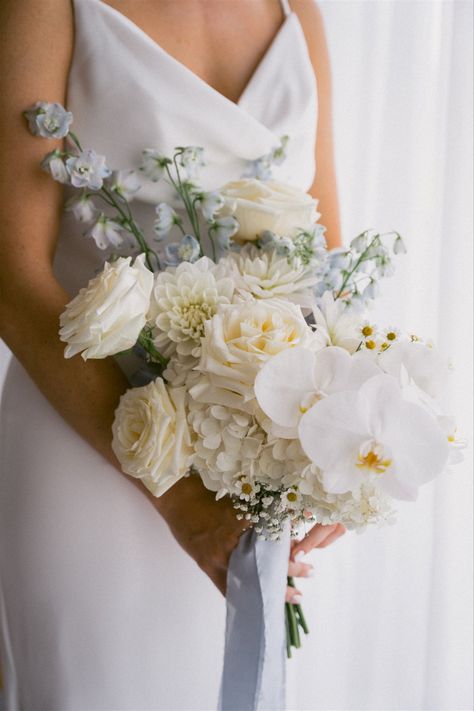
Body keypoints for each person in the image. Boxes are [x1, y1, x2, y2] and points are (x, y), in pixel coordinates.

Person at [0, 0, 346, 707]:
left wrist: (342, 440)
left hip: (247, 468)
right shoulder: (47, 8)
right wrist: (179, 499)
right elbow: (11, 275)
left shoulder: (298, 12)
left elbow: (326, 263)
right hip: (85, 446)